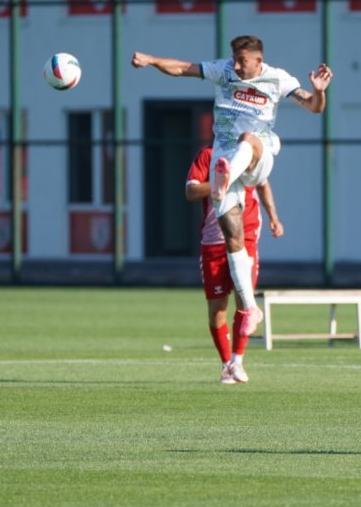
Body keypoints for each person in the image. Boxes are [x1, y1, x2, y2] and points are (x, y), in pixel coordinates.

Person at [132, 36, 332, 340]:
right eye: (234, 59)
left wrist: (319, 93)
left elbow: (314, 107)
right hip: (223, 162)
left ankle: (226, 176)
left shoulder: (277, 78)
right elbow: (183, 69)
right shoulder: (223, 70)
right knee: (232, 237)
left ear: (257, 60)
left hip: (258, 155)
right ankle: (251, 308)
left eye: (242, 60)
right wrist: (151, 60)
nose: (236, 65)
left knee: (248, 140)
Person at [186, 147, 283, 384]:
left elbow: (262, 184)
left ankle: (237, 361)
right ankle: (226, 363)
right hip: (214, 242)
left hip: (246, 238)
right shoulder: (208, 155)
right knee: (217, 308)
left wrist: (273, 217)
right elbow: (191, 191)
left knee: (244, 301)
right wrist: (219, 183)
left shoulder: (248, 153)